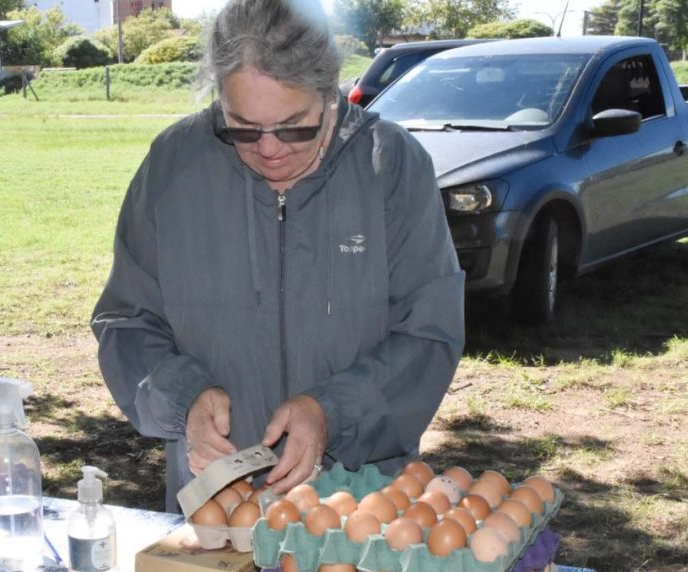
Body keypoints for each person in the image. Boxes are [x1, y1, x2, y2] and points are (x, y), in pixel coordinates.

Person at [91, 0, 464, 513]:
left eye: (295, 127)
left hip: (359, 506)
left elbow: (430, 334)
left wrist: (332, 412)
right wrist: (184, 401)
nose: (268, 150)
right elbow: (127, 321)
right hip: (217, 503)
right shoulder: (174, 166)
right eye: (241, 127)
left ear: (330, 92)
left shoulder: (392, 168)